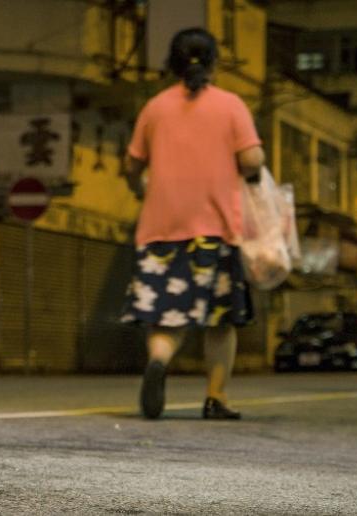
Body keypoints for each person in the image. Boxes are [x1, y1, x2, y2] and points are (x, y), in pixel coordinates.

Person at [120, 27, 265, 420]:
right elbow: (252, 160)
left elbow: (132, 164)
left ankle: (159, 361)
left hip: (159, 229)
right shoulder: (231, 105)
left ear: (172, 64)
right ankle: (216, 397)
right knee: (219, 321)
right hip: (214, 230)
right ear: (214, 62)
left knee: (166, 314)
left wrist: (139, 185)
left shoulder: (154, 108)